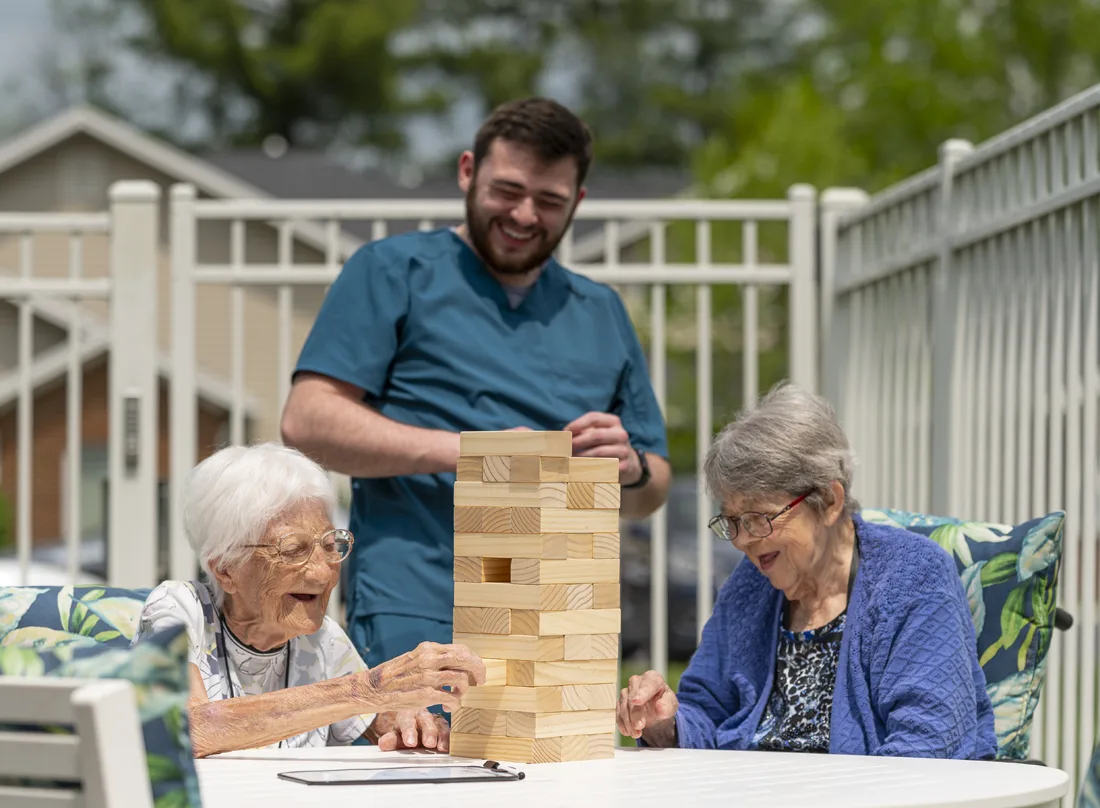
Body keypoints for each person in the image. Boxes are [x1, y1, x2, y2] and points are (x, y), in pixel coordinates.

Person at [281, 96, 671, 666]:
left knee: (565, 758)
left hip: (563, 604)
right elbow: (307, 420)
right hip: (417, 600)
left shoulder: (600, 310)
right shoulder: (392, 271)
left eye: (549, 201)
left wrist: (631, 469)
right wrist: (477, 453)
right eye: (508, 191)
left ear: (578, 203)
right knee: (417, 757)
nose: (524, 216)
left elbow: (653, 487)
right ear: (468, 171)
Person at [617, 383, 997, 759]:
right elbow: (708, 713)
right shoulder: (751, 587)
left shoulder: (913, 577)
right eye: (732, 521)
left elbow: (928, 745)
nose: (742, 541)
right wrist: (663, 722)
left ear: (830, 501)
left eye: (760, 518)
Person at [132, 443, 486, 758]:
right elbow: (185, 729)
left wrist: (410, 719)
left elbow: (380, 718)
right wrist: (370, 689)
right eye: (291, 550)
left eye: (331, 546)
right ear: (225, 569)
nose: (322, 573)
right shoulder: (179, 609)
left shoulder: (322, 639)